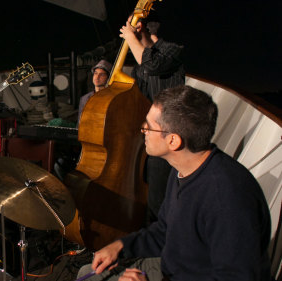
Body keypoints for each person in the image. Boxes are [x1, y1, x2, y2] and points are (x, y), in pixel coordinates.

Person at [76, 85, 271, 281]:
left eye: (148, 126)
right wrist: (121, 245)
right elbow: (165, 231)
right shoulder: (181, 168)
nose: (142, 129)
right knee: (86, 274)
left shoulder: (226, 198)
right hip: (172, 268)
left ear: (173, 141)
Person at [120, 14, 185, 224]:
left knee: (160, 192)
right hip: (149, 134)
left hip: (168, 132)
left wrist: (131, 39)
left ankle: (162, 243)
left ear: (145, 29)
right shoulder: (143, 63)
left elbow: (153, 65)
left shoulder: (172, 49)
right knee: (149, 190)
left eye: (139, 30)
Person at [77, 59, 112, 125]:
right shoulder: (84, 99)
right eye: (95, 73)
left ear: (108, 78)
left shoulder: (111, 99)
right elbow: (80, 124)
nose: (97, 77)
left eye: (101, 74)